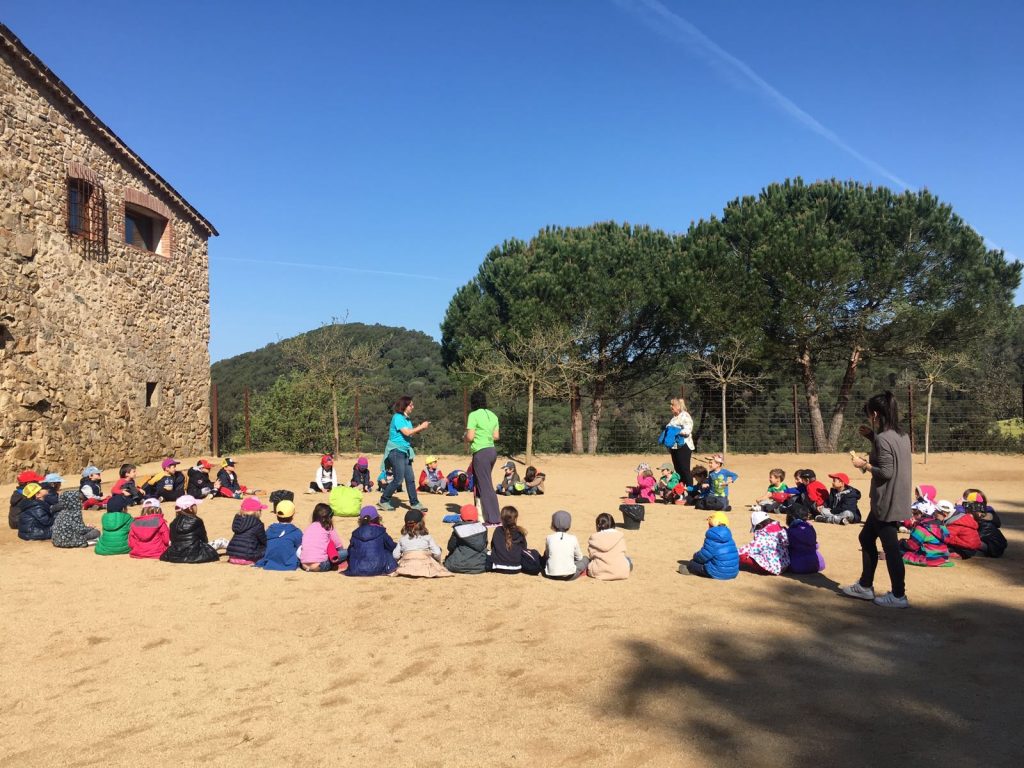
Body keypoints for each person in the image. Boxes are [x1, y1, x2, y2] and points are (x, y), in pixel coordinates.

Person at [842, 391, 912, 608]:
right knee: (866, 537)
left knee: (891, 548)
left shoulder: (883, 438)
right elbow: (891, 458)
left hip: (886, 500)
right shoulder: (902, 435)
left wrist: (863, 465)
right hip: (897, 497)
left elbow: (887, 472)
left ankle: (898, 595)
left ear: (875, 414)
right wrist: (872, 437)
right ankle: (865, 586)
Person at [379, 395, 430, 513]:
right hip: (396, 451)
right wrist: (421, 427)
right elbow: (407, 433)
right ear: (404, 406)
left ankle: (415, 503)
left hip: (405, 452)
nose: (413, 407)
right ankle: (384, 500)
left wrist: (420, 428)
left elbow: (410, 433)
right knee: (398, 479)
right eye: (411, 405)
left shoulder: (407, 419)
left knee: (410, 479)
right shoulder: (397, 417)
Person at [465, 390, 501, 525]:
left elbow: (470, 437)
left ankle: (493, 518)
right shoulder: (493, 415)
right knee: (481, 483)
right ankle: (480, 514)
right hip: (492, 451)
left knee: (485, 486)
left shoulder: (473, 415)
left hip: (481, 453)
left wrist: (465, 436)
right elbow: (496, 436)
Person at [392, 510, 452, 578]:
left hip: (407, 566)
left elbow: (395, 556)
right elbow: (437, 553)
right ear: (422, 523)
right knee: (438, 549)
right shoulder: (427, 537)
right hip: (424, 565)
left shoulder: (402, 539)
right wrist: (437, 562)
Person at [160, 495, 220, 564]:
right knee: (221, 541)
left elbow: (172, 540)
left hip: (176, 554)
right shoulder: (196, 520)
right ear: (190, 508)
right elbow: (204, 539)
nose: (196, 507)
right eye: (195, 505)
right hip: (195, 554)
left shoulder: (172, 523)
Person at [345, 506, 398, 576]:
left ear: (360, 520)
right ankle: (389, 569)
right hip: (378, 567)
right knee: (386, 551)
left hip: (357, 568)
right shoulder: (381, 531)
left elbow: (349, 551)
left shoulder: (356, 533)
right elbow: (391, 546)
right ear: (377, 518)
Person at [684, 512, 739, 579]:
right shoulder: (728, 535)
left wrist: (695, 556)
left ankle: (691, 570)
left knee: (692, 564)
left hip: (719, 572)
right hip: (733, 572)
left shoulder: (712, 535)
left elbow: (704, 555)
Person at [488, 506, 540, 575]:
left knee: (487, 553)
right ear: (515, 519)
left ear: (501, 518)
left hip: (498, 566)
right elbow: (524, 548)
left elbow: (493, 546)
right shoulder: (520, 532)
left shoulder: (498, 530)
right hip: (516, 567)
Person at [255, 500, 304, 571]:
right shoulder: (296, 532)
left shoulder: (270, 530)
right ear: (293, 515)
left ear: (277, 515)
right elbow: (300, 547)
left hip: (270, 563)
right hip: (289, 564)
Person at [738, 510, 790, 575]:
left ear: (760, 525)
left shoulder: (763, 535)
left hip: (773, 568)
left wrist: (735, 552)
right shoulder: (781, 529)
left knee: (742, 556)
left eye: (756, 527)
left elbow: (751, 548)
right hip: (785, 563)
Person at [583, 513, 630, 580]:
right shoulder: (620, 536)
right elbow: (623, 551)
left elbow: (591, 555)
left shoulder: (594, 537)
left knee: (586, 560)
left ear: (598, 526)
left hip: (599, 571)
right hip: (622, 572)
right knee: (628, 559)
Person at [543, 510, 588, 580]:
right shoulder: (573, 538)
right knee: (585, 559)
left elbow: (547, 555)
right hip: (569, 575)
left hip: (551, 575)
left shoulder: (549, 538)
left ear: (553, 523)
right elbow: (579, 558)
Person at [960, 490, 1007, 558]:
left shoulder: (985, 522)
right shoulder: (980, 516)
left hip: (994, 549)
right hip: (989, 544)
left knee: (966, 538)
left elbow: (973, 537)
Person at [300, 503, 345, 572]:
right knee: (347, 552)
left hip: (304, 565)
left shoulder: (309, 527)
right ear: (329, 518)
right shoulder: (327, 527)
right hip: (319, 565)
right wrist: (341, 552)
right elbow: (338, 545)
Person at [444, 504, 488, 575]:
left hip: (458, 565)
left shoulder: (458, 529)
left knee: (448, 560)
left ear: (461, 517)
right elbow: (484, 544)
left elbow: (450, 547)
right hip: (480, 565)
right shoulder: (483, 528)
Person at [226, 497, 269, 565]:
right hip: (247, 558)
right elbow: (264, 541)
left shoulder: (238, 521)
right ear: (257, 511)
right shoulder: (258, 524)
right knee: (267, 548)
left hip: (232, 556)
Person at [664, 397, 695, 486]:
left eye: (673, 405)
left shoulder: (685, 415)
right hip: (674, 447)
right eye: (671, 405)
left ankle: (690, 491)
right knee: (678, 470)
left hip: (684, 446)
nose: (671, 407)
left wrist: (675, 431)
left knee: (685, 470)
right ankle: (680, 491)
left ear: (678, 406)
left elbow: (688, 430)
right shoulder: (674, 418)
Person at [786, 506, 825, 574]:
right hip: (818, 564)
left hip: (798, 566)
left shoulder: (790, 531)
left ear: (792, 518)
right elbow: (816, 545)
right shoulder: (810, 528)